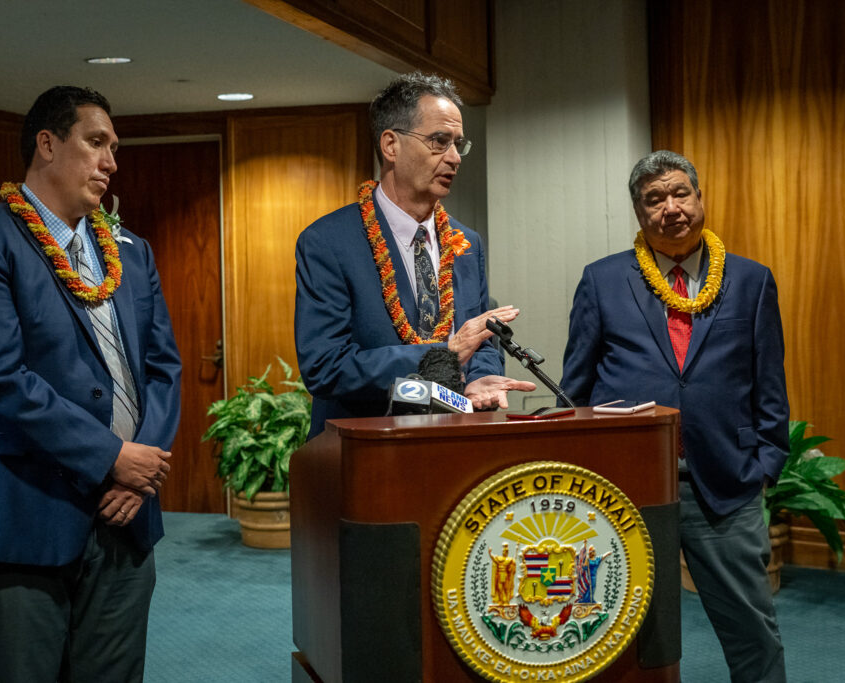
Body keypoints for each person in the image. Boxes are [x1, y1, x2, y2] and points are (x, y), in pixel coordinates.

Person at [0, 86, 181, 682]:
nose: (111, 162)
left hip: (126, 513)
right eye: (96, 143)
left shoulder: (132, 252)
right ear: (47, 144)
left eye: (114, 148)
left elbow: (163, 368)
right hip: (19, 511)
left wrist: (142, 469)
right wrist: (111, 456)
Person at [561, 150, 788, 682]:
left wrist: (766, 466)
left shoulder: (751, 280)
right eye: (654, 199)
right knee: (633, 636)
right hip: (626, 487)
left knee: (752, 632)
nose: (671, 207)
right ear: (640, 214)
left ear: (700, 197)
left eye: (680, 192)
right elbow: (577, 389)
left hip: (725, 487)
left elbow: (770, 386)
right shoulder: (603, 280)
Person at [295, 72, 534, 437]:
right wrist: (444, 355)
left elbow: (480, 335)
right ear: (391, 145)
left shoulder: (466, 242)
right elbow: (326, 367)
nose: (454, 157)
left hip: (452, 443)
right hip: (366, 448)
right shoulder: (329, 242)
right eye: (439, 141)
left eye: (459, 144)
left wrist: (480, 377)